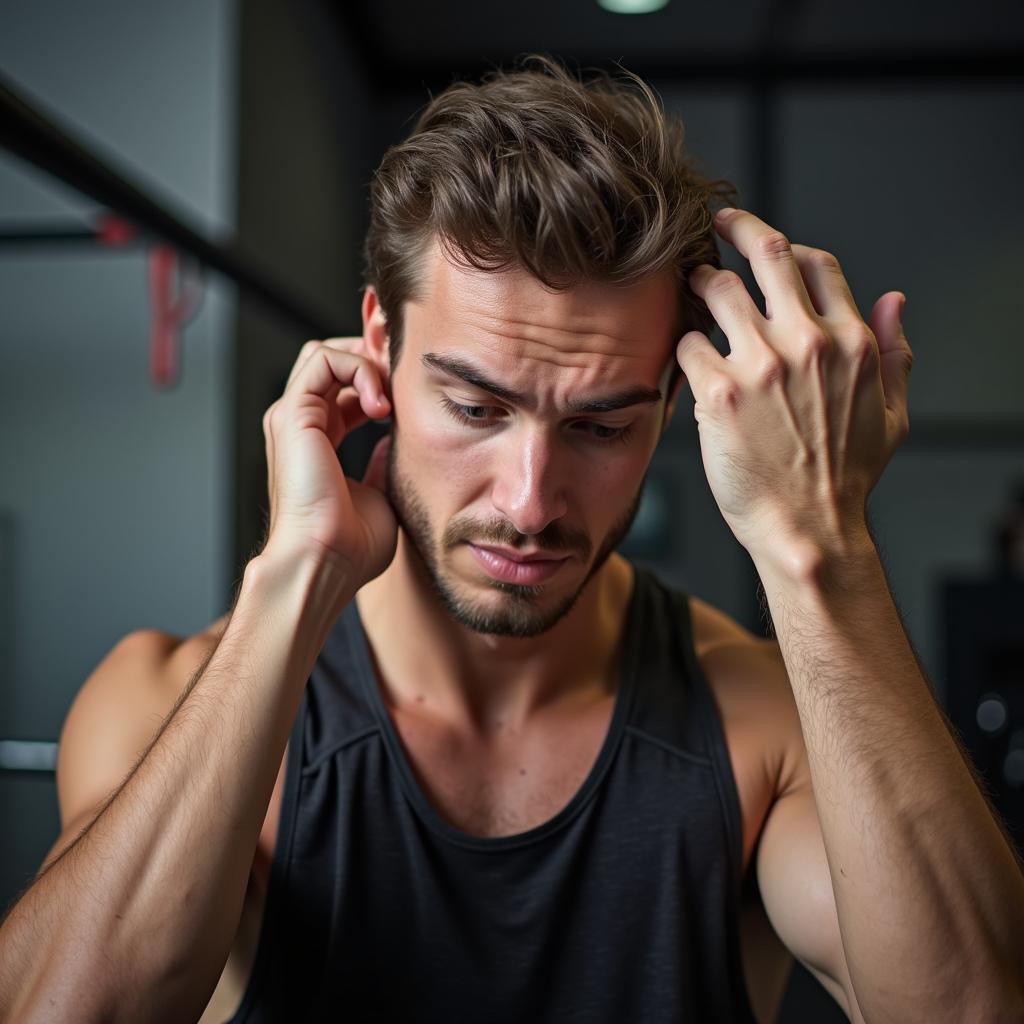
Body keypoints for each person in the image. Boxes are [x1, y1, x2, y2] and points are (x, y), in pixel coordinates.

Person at [1, 55, 1022, 1024]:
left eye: (600, 426)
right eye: (476, 409)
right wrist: (294, 582)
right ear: (381, 346)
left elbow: (971, 1007)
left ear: (672, 408)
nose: (531, 502)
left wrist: (823, 546)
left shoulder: (764, 726)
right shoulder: (159, 695)